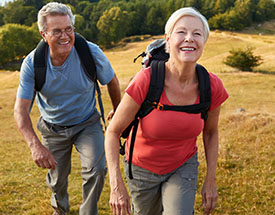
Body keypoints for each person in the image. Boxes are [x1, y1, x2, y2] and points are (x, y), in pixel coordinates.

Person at [105, 7, 228, 215]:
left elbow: (211, 132)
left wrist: (211, 179)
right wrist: (116, 186)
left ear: (204, 42)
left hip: (183, 165)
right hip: (141, 168)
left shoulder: (211, 85)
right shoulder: (146, 80)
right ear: (168, 40)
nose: (189, 38)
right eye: (181, 32)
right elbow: (113, 131)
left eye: (197, 33)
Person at [14, 2, 121, 215]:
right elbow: (20, 110)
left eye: (68, 29)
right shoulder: (33, 63)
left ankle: (87, 212)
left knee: (97, 169)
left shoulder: (89, 52)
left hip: (87, 123)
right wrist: (35, 145)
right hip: (52, 128)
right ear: (44, 34)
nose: (65, 36)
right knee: (57, 179)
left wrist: (119, 113)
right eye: (57, 31)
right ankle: (60, 210)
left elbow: (112, 82)